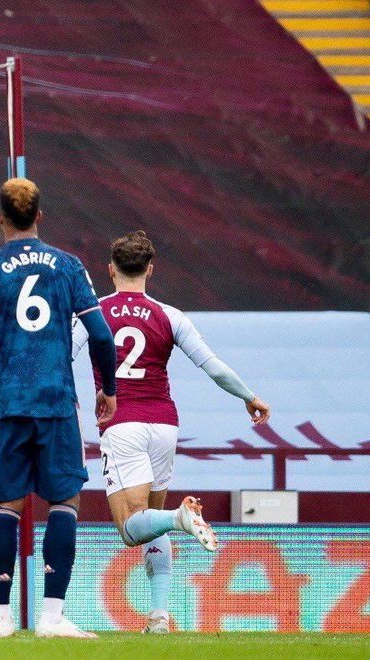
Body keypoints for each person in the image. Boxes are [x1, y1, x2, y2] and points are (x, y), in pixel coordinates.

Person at [71, 230, 271, 634]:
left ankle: (181, 518)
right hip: (164, 424)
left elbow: (60, 359)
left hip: (121, 422)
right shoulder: (170, 315)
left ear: (110, 270)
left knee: (131, 528)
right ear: (150, 269)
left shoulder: (91, 314)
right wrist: (249, 396)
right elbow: (212, 366)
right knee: (154, 522)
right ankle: (159, 618)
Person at [0, 178, 117, 639]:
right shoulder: (69, 266)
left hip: (7, 402)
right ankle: (51, 616)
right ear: (40, 216)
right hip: (56, 400)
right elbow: (100, 335)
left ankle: (2, 618)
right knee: (64, 501)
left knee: (5, 504)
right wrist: (108, 387)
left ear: (0, 218)